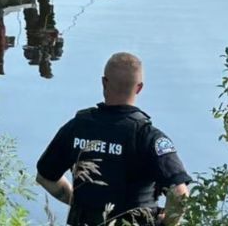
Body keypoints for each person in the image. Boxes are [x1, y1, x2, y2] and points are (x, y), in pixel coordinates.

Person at [36, 52, 191, 226]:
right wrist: (166, 224)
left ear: (104, 82)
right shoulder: (147, 136)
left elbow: (45, 177)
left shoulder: (77, 127)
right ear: (139, 88)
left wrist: (78, 204)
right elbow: (180, 193)